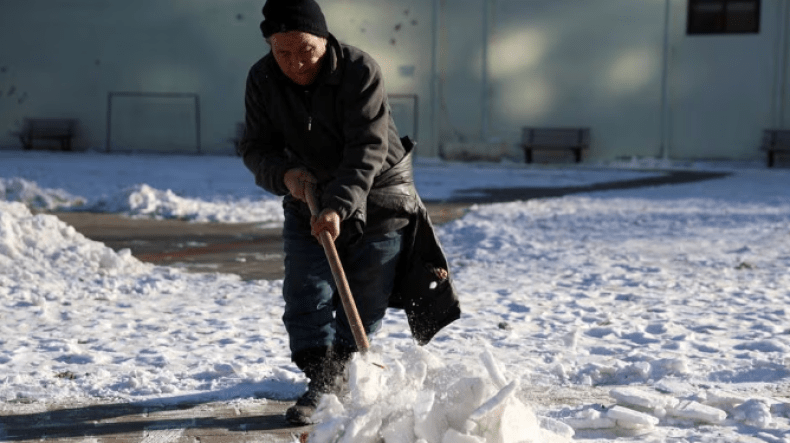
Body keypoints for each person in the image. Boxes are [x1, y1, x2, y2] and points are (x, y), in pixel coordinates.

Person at [239, 0, 460, 426]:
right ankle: (323, 383)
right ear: (270, 47)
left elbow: (367, 149)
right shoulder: (262, 78)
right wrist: (285, 176)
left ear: (324, 39)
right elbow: (255, 147)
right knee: (305, 292)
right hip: (307, 194)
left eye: (306, 49)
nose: (296, 63)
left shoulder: (359, 71)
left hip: (379, 196)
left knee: (364, 298)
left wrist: (339, 206)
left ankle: (345, 376)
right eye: (283, 52)